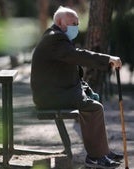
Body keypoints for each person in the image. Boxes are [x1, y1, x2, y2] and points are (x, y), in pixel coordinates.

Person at [31, 6, 123, 168]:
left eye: (77, 23)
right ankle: (95, 157)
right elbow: (78, 56)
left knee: (93, 105)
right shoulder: (55, 39)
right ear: (60, 22)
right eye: (73, 23)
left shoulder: (56, 37)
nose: (76, 26)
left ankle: (102, 152)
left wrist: (87, 90)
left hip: (55, 92)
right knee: (94, 108)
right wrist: (108, 58)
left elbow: (71, 69)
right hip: (50, 96)